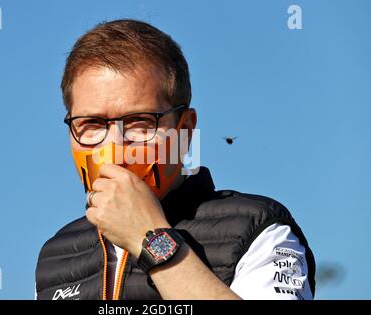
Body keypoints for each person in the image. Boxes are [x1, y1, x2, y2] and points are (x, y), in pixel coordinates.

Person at [35, 19, 316, 300]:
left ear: (185, 129)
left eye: (139, 123)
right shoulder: (54, 257)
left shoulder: (260, 230)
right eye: (92, 124)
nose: (114, 145)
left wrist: (150, 237)